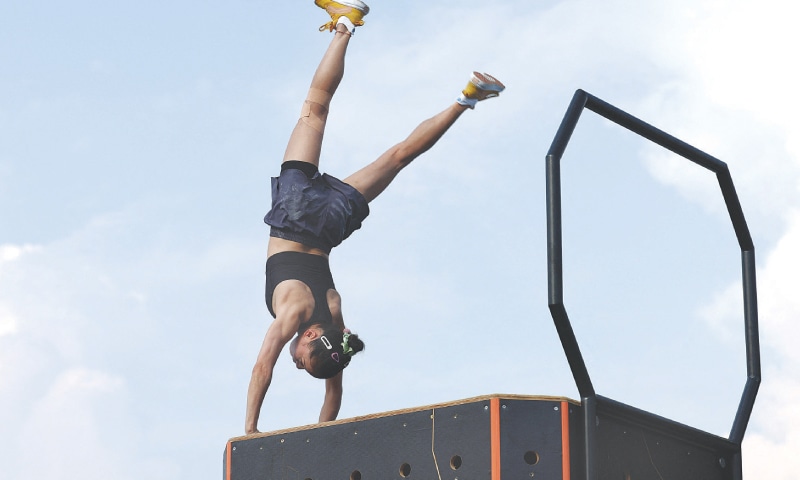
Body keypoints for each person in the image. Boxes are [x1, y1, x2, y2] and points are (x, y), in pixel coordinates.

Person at [244, 0, 505, 434]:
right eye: (305, 364)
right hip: (296, 216)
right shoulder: (292, 315)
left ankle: (469, 97)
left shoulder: (336, 324)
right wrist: (249, 432)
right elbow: (262, 368)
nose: (298, 366)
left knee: (400, 156)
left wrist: (321, 436)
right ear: (309, 339)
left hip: (330, 225)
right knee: (316, 107)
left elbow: (334, 395)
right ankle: (346, 23)